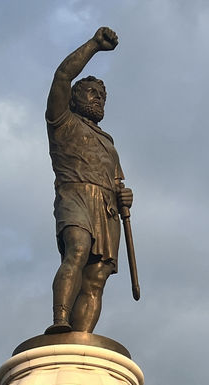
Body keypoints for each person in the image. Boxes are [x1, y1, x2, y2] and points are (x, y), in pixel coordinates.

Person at [45, 26, 133, 334]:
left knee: (97, 278)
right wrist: (94, 45)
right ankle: (60, 320)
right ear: (74, 98)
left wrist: (124, 197)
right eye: (93, 94)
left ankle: (82, 339)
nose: (99, 100)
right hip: (75, 196)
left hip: (106, 209)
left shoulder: (108, 142)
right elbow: (62, 77)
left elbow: (118, 183)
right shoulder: (62, 121)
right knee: (78, 249)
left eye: (103, 96)